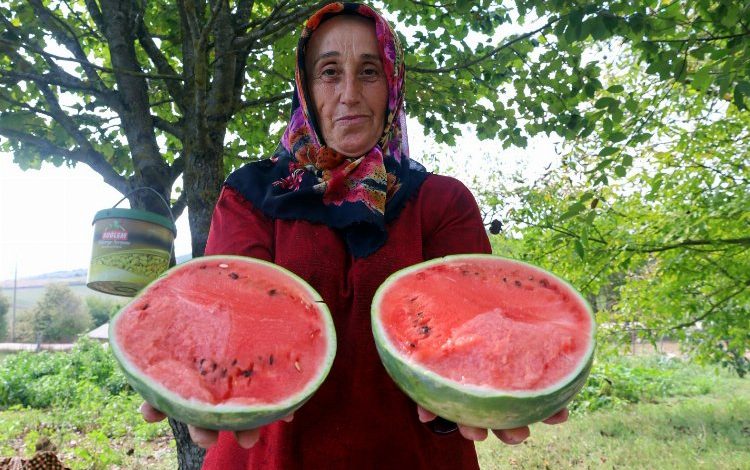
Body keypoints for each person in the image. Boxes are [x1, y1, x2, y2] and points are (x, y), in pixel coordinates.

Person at [141, 2, 568, 468]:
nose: (349, 93)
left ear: (393, 86)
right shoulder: (251, 197)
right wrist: (188, 366)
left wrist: (498, 383)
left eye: (369, 71)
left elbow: (473, 334)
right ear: (305, 87)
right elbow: (228, 321)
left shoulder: (441, 203)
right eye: (329, 72)